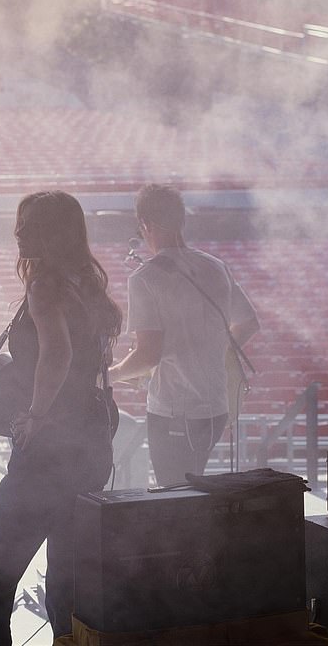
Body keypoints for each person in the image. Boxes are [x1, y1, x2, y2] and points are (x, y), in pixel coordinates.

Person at [0, 190, 122, 645]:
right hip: (89, 449)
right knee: (68, 591)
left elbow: (57, 353)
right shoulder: (83, 283)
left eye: (29, 224)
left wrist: (34, 414)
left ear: (53, 233)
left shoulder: (44, 285)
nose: (18, 232)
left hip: (49, 455)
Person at [109, 183, 259, 487]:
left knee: (176, 498)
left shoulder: (145, 277)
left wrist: (106, 376)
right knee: (194, 488)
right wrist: (215, 353)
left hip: (176, 412)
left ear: (145, 225)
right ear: (181, 220)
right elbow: (248, 323)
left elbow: (148, 355)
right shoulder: (215, 266)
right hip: (216, 409)